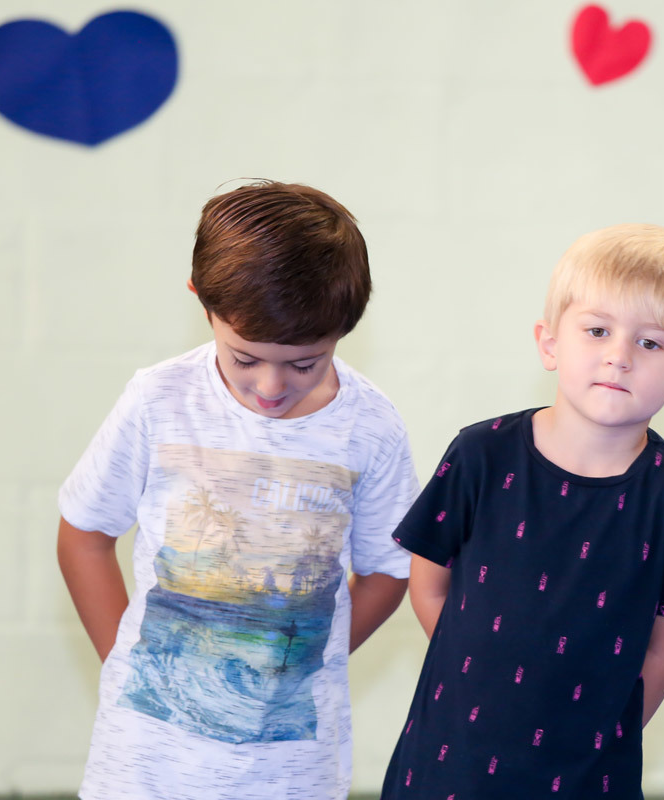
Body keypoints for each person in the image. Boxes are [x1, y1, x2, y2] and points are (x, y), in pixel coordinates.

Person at [57, 181, 419, 800]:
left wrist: (303, 661)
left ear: (344, 329)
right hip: (141, 770)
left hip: (293, 775)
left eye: (304, 363)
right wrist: (127, 660)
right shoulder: (158, 399)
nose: (271, 387)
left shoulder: (372, 426)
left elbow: (388, 569)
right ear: (202, 302)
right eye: (245, 358)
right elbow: (84, 536)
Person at [380, 223, 664, 798]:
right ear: (549, 344)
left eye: (650, 343)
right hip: (450, 762)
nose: (618, 357)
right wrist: (479, 686)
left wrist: (601, 730)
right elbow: (429, 584)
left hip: (590, 776)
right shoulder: (481, 454)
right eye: (597, 331)